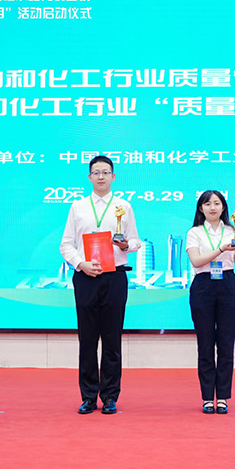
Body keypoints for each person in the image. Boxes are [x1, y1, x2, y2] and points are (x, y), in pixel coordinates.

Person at [60, 155, 142, 415]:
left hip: (114, 277)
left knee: (111, 338)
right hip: (86, 277)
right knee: (87, 339)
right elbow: (66, 245)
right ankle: (88, 397)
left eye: (106, 172)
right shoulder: (78, 207)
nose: (101, 177)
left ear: (113, 177)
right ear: (89, 177)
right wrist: (81, 263)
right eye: (96, 172)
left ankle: (109, 397)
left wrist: (126, 245)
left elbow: (136, 241)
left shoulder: (123, 206)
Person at [185, 190, 235, 415]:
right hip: (203, 285)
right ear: (201, 208)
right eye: (208, 204)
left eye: (217, 203)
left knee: (226, 344)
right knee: (205, 344)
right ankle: (206, 398)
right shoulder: (194, 232)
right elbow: (196, 261)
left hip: (228, 284)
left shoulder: (232, 230)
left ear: (223, 207)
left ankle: (222, 397)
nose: (213, 208)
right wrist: (221, 248)